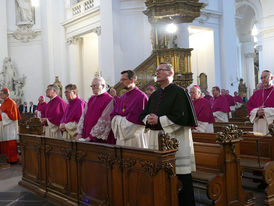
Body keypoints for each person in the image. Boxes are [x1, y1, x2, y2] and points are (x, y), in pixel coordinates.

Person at [140, 63, 197, 206]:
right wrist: (148, 119)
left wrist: (158, 120)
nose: (157, 72)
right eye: (156, 70)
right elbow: (144, 114)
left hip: (176, 141)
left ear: (170, 73)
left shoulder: (180, 92)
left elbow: (182, 116)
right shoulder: (155, 94)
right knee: (160, 176)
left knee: (180, 179)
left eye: (160, 70)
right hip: (157, 140)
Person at [111, 70, 148, 148]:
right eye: (121, 80)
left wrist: (119, 121)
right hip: (122, 137)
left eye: (124, 79)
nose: (121, 82)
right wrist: (121, 121)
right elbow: (116, 112)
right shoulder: (123, 96)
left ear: (132, 80)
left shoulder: (141, 96)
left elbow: (139, 119)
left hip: (135, 136)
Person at [76, 77, 115, 144]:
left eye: (95, 86)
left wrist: (91, 137)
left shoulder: (109, 100)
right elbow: (83, 116)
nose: (93, 88)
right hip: (86, 136)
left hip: (98, 139)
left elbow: (104, 121)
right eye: (92, 86)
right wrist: (79, 133)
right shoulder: (91, 98)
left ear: (103, 86)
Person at [247, 70, 274, 135]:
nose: (263, 80)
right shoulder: (256, 93)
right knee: (259, 143)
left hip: (271, 124)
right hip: (258, 124)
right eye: (261, 78)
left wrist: (265, 111)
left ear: (272, 78)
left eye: (265, 77)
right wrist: (256, 113)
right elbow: (249, 105)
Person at [0, 88, 20, 163]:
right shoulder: (4, 103)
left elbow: (13, 116)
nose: (0, 95)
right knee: (6, 142)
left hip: (11, 125)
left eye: (1, 94)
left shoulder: (12, 103)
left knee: (11, 142)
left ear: (6, 94)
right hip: (5, 125)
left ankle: (13, 159)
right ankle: (7, 157)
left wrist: (2, 113)